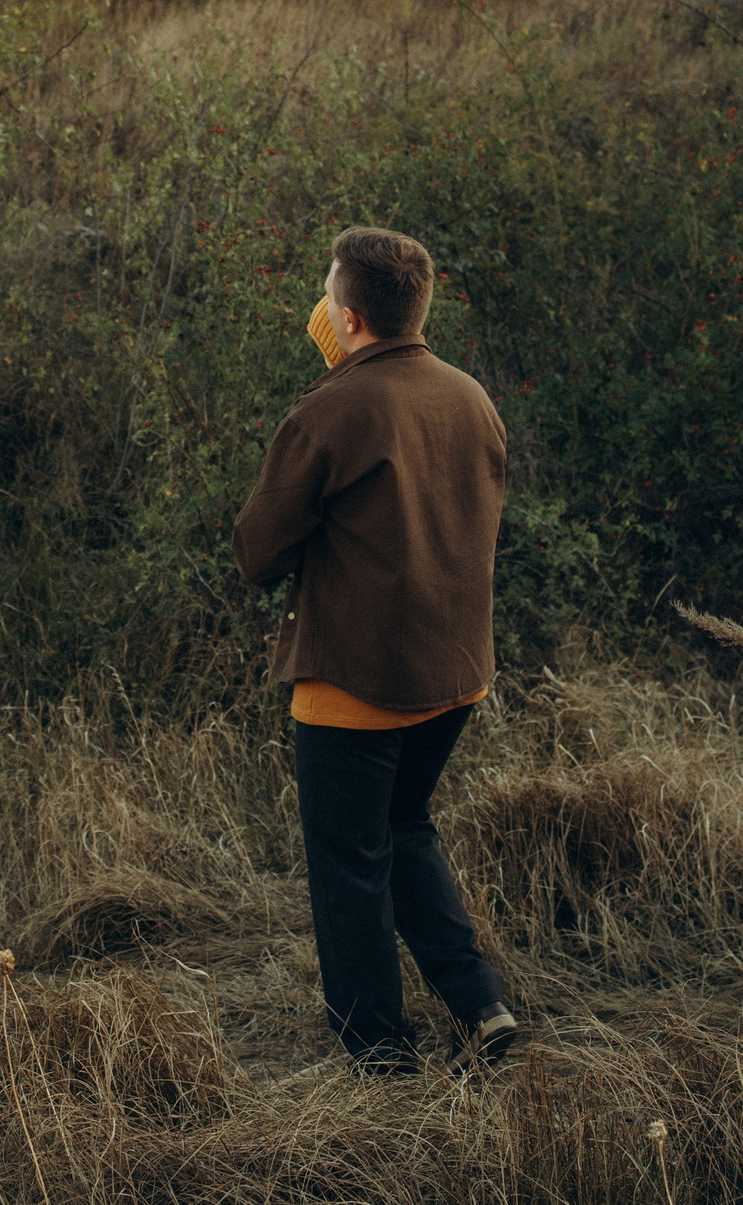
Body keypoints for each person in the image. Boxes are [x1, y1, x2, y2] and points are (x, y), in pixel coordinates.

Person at [232, 226, 519, 1076]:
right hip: (453, 677)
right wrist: (352, 358)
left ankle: (381, 1058)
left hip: (356, 684)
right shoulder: (470, 396)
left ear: (348, 315)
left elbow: (256, 552)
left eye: (328, 296)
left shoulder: (331, 409)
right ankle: (481, 1004)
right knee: (403, 826)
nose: (320, 306)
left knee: (349, 866)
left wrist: (338, 379)